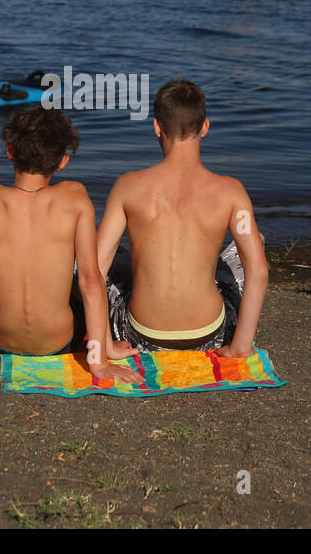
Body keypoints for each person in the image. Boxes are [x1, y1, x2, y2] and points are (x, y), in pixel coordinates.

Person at [0, 106, 143, 384]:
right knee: (91, 272)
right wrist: (99, 362)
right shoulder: (75, 198)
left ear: (9, 151)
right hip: (60, 342)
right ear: (62, 161)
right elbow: (91, 281)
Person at [96, 78, 269, 357]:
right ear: (205, 127)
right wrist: (240, 346)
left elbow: (94, 270)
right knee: (253, 243)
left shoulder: (127, 186)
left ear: (156, 127)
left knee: (98, 255)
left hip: (140, 335)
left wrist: (104, 344)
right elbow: (258, 271)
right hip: (210, 335)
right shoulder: (231, 191)